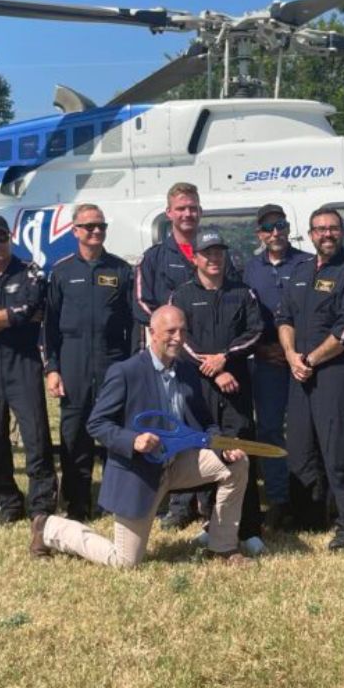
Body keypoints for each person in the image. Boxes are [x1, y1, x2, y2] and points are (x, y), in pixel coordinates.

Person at [30, 305, 251, 568]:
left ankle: (222, 545)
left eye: (183, 330)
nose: (178, 338)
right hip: (140, 472)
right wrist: (132, 441)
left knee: (237, 464)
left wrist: (222, 447)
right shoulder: (126, 372)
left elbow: (205, 423)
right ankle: (49, 528)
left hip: (178, 464)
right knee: (124, 561)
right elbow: (97, 423)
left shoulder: (187, 371)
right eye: (170, 331)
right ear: (152, 332)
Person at [134, 181, 236, 529]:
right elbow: (141, 302)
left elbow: (230, 295)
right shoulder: (155, 257)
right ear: (169, 214)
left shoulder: (216, 251)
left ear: (200, 210)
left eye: (192, 207)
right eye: (181, 208)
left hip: (206, 356)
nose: (188, 214)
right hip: (167, 356)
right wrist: (168, 328)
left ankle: (207, 499)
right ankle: (178, 505)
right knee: (172, 422)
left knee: (203, 420)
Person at [276, 206, 344, 550]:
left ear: (341, 233)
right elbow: (284, 316)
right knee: (300, 450)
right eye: (319, 229)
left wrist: (311, 359)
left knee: (338, 452)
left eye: (332, 229)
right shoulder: (299, 270)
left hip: (335, 374)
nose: (326, 234)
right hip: (299, 373)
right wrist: (290, 356)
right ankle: (309, 517)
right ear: (311, 234)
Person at [170, 229, 265, 554]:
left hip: (235, 384)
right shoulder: (181, 296)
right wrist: (209, 366)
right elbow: (179, 337)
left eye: (219, 253)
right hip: (198, 387)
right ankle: (212, 525)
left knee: (241, 450)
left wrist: (225, 359)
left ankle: (250, 528)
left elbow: (256, 332)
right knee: (208, 452)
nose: (214, 259)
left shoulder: (243, 292)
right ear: (195, 257)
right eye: (207, 253)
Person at [0, 214, 58, 524]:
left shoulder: (30, 272)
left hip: (23, 363)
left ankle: (42, 502)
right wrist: (1, 319)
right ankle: (9, 502)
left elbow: (29, 311)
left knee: (36, 436)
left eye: (2, 237)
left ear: (10, 238)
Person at [44, 203, 135, 521]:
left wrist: (133, 368)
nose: (97, 231)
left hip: (113, 363)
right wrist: (52, 368)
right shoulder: (62, 271)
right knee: (75, 436)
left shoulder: (121, 271)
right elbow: (49, 326)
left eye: (101, 226)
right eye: (90, 226)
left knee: (115, 434)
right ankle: (77, 503)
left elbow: (134, 325)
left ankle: (114, 501)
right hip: (73, 362)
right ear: (75, 231)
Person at [243, 204, 313, 529]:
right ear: (259, 233)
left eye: (280, 226)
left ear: (288, 227)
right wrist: (259, 347)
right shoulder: (248, 270)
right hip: (267, 361)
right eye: (268, 228)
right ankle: (278, 499)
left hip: (303, 359)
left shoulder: (306, 263)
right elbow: (242, 317)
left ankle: (309, 498)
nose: (275, 233)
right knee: (269, 429)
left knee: (305, 431)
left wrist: (297, 352)